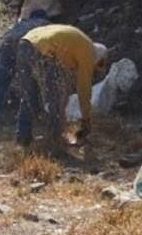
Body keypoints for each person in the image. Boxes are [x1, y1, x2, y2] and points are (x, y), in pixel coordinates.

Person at [15, 24, 108, 152]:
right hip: (41, 51)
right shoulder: (89, 53)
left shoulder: (76, 44)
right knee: (55, 98)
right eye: (97, 66)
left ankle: (22, 139)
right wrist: (86, 119)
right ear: (98, 58)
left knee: (29, 94)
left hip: (25, 43)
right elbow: (83, 89)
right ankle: (54, 142)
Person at [0, 9, 50, 130]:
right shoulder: (45, 24)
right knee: (29, 86)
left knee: (0, 84)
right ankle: (27, 125)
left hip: (7, 46)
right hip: (25, 47)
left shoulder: (21, 24)